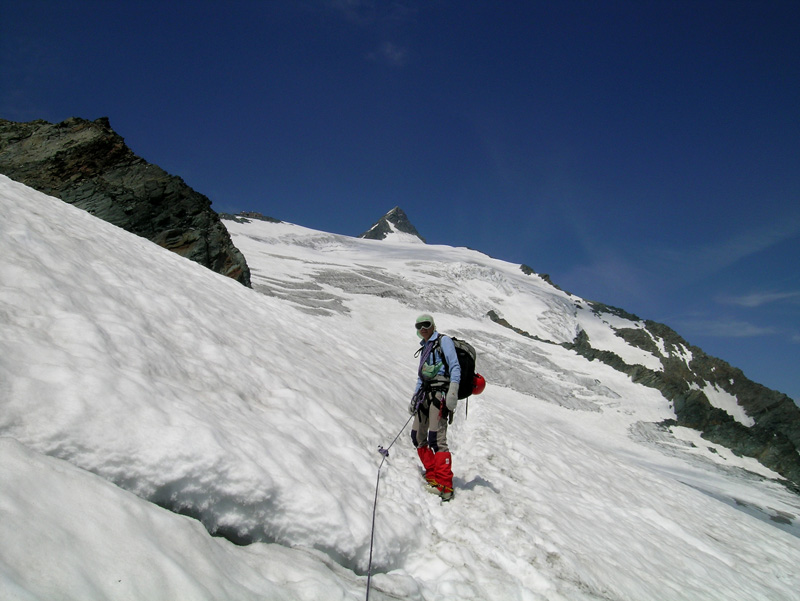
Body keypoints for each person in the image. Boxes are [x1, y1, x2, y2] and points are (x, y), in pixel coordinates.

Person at [409, 313, 461, 501]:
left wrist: (453, 391)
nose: (422, 328)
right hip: (424, 394)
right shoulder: (425, 348)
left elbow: (455, 366)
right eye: (419, 326)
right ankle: (432, 474)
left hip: (440, 395)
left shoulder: (443, 341)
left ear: (433, 325)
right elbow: (420, 377)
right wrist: (414, 398)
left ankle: (445, 486)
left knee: (436, 439)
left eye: (426, 324)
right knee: (417, 436)